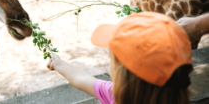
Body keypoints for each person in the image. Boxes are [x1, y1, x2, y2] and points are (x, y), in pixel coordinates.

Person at [47, 12, 193, 104]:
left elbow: (82, 79)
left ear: (124, 75)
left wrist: (58, 64)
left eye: (112, 60)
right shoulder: (175, 94)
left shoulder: (115, 96)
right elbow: (81, 78)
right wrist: (58, 63)